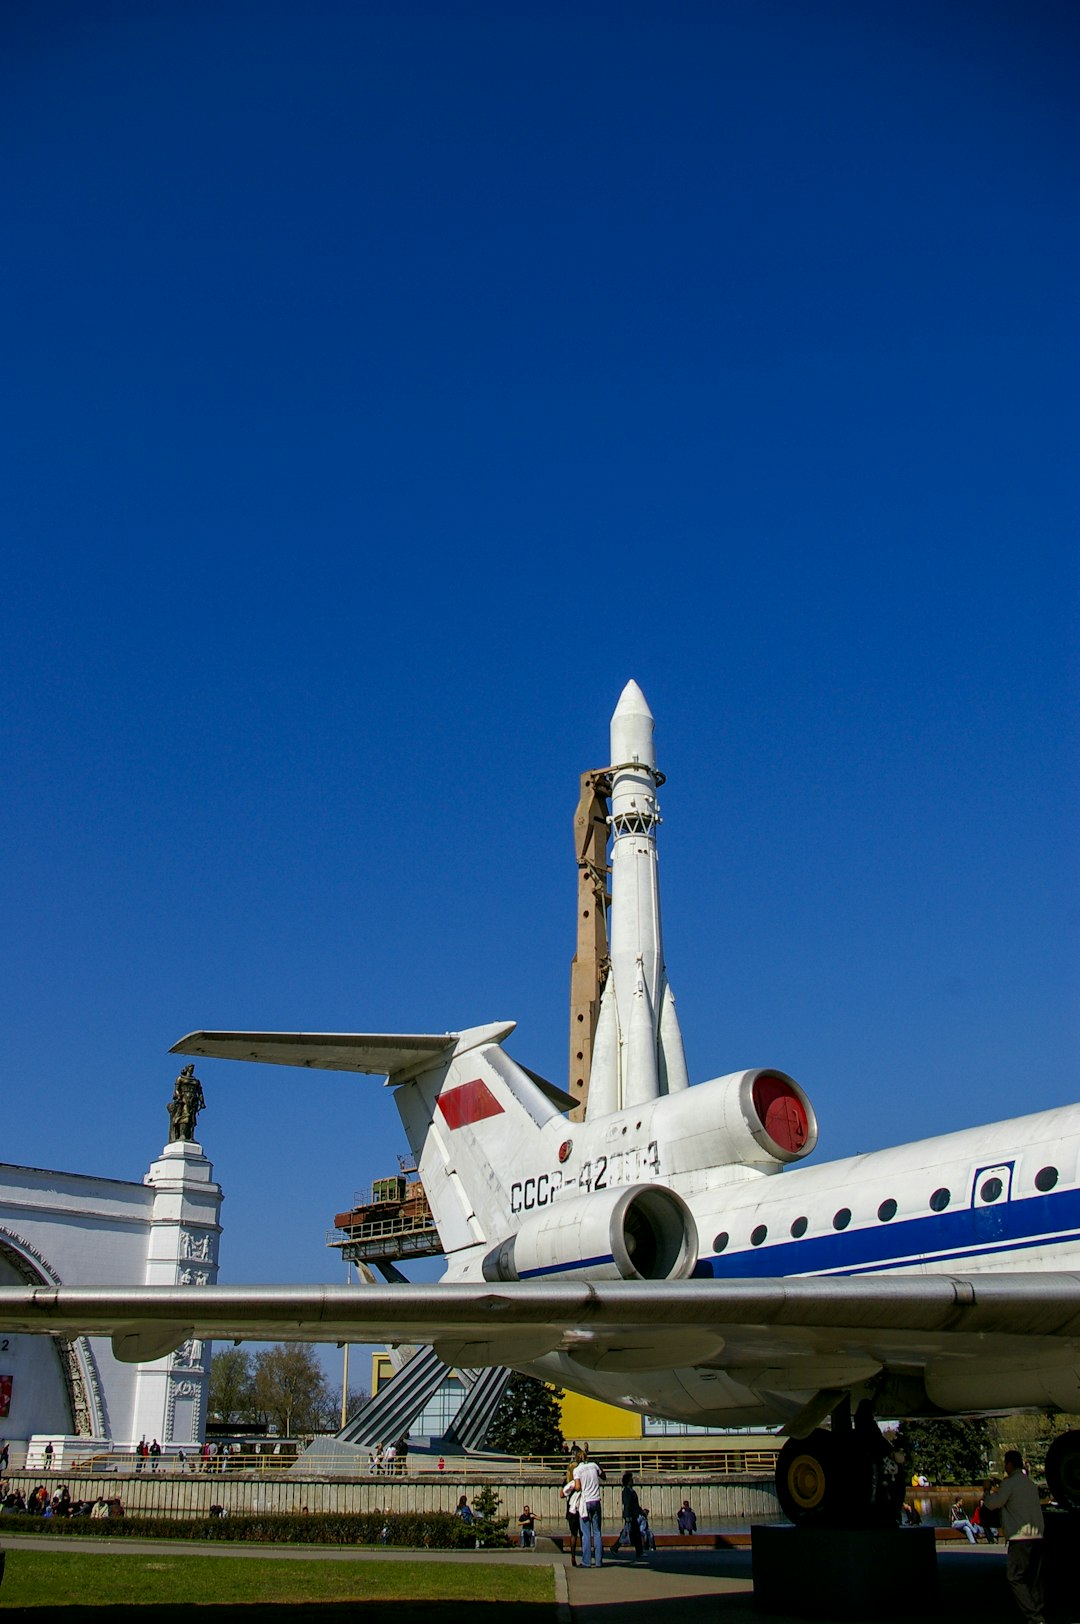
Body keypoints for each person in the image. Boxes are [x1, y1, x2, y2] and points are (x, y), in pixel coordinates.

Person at [982, 1451, 1045, 1624]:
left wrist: (987, 1490)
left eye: (1005, 1464)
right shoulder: (1029, 1483)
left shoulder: (1009, 1484)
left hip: (1020, 1537)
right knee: (1034, 1578)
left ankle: (1034, 1617)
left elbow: (992, 1504)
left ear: (1009, 1464)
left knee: (1014, 1577)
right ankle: (1038, 1611)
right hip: (1037, 1535)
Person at [572, 1449, 605, 1568]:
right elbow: (603, 1476)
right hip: (596, 1500)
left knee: (586, 1533)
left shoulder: (577, 1470)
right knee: (597, 1532)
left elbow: (577, 1487)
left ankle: (586, 1561)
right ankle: (599, 1561)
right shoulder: (594, 1466)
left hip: (585, 1502)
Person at [615, 1471, 643, 1560]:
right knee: (630, 1533)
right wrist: (627, 1516)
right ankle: (639, 1552)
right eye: (631, 1480)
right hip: (630, 1516)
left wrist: (641, 1511)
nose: (633, 1481)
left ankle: (616, 1547)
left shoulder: (630, 1490)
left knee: (630, 1533)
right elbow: (627, 1504)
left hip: (633, 1515)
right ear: (628, 1481)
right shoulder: (627, 1491)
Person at [561, 1470, 581, 1566]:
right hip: (581, 1510)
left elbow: (562, 1494)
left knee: (573, 1534)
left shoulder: (569, 1484)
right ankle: (586, 1555)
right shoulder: (581, 1481)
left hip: (571, 1511)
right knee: (583, 1533)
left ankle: (573, 1555)